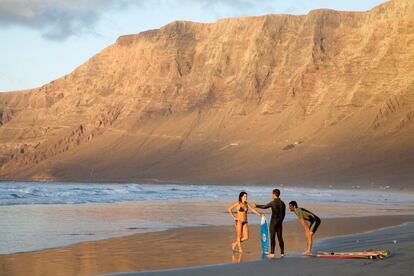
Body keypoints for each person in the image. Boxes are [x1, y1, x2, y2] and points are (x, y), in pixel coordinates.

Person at [254, 189, 285, 258]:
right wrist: (280, 221)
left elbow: (264, 207)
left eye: (272, 194)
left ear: (274, 194)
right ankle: (282, 253)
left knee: (272, 237)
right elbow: (284, 214)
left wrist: (256, 205)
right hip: (280, 223)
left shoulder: (273, 202)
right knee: (280, 238)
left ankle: (272, 253)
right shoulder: (283, 203)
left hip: (273, 222)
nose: (272, 195)